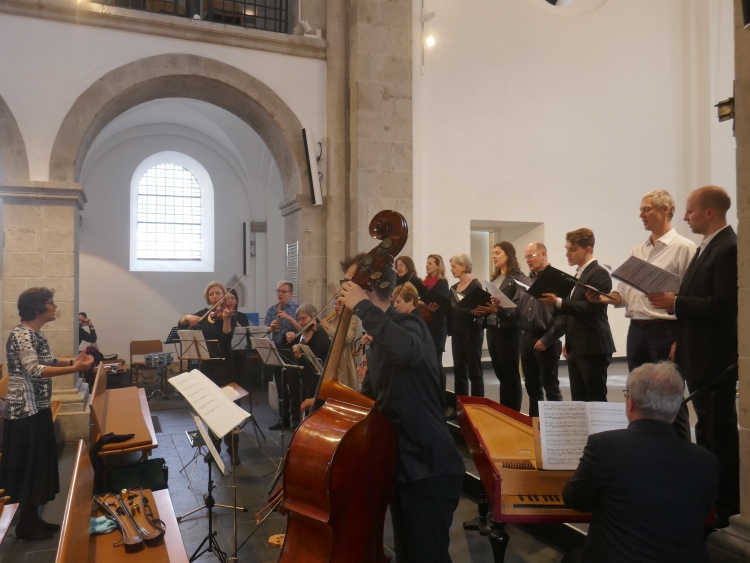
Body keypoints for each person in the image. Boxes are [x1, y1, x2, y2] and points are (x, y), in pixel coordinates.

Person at [339, 254, 465, 563]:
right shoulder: (379, 337)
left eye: (349, 284)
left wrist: (364, 308)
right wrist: (331, 406)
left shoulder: (408, 324)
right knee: (409, 555)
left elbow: (409, 350)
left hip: (429, 467)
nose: (343, 290)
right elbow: (371, 400)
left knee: (427, 557)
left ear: (370, 288)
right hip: (403, 466)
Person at [646, 185, 739, 528]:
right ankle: (710, 494)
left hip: (715, 357)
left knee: (720, 430)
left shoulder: (729, 247)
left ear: (709, 213)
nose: (685, 217)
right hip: (697, 349)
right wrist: (680, 340)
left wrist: (675, 303)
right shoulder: (709, 247)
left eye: (690, 211)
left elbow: (725, 305)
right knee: (708, 429)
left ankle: (726, 502)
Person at [562, 362, 719, 563]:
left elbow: (576, 500)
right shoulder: (707, 462)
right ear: (677, 406)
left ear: (631, 403)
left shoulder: (604, 446)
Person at [4, 287, 94, 541]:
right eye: (51, 303)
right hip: (25, 410)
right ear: (37, 308)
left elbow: (50, 360)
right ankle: (27, 524)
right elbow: (34, 370)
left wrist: (73, 361)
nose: (55, 307)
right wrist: (73, 369)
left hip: (37, 406)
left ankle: (32, 520)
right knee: (30, 466)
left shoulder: (34, 333)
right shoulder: (22, 334)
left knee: (39, 463)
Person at [584, 190, 695, 394]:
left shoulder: (684, 248)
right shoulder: (638, 251)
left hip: (666, 331)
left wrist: (682, 338)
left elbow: (692, 296)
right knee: (637, 393)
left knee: (667, 395)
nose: (641, 215)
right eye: (640, 210)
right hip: (636, 330)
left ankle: (675, 428)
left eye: (646, 209)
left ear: (665, 210)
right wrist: (602, 298)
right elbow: (624, 294)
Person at [539, 229, 615, 401]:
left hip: (593, 346)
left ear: (588, 249)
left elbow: (589, 308)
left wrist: (557, 301)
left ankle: (598, 430)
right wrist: (569, 340)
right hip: (579, 344)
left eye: (572, 249)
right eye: (566, 249)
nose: (567, 254)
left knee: (594, 400)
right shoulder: (579, 274)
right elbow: (572, 311)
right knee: (579, 401)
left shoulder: (599, 273)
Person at [178, 281, 238, 463]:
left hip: (225, 366)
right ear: (208, 297)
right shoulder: (202, 315)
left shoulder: (229, 314)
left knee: (229, 409)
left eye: (218, 293)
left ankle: (234, 450)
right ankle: (214, 449)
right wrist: (186, 318)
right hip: (208, 367)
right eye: (211, 294)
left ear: (223, 295)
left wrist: (226, 319)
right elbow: (181, 325)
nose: (214, 297)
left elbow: (227, 336)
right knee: (211, 411)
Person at [473, 242, 528, 411]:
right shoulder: (495, 278)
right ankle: (505, 410)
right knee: (501, 375)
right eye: (493, 253)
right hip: (493, 329)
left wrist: (496, 310)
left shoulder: (518, 278)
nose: (494, 256)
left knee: (510, 375)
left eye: (498, 253)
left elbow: (518, 309)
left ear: (508, 255)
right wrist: (482, 310)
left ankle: (514, 412)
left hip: (509, 331)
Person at [514, 242, 563, 417]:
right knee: (532, 389)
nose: (528, 260)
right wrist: (499, 306)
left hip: (546, 339)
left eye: (531, 256)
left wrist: (547, 339)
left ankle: (556, 431)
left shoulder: (556, 279)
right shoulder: (526, 281)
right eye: (526, 257)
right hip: (527, 338)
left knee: (551, 389)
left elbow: (563, 316)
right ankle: (535, 429)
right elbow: (518, 309)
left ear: (543, 254)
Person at [286, 304, 331, 424]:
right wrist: (288, 334)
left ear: (314, 316)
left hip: (315, 379)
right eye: (298, 319)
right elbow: (288, 345)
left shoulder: (320, 334)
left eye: (303, 318)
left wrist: (300, 355)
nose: (300, 322)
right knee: (306, 413)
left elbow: (313, 362)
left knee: (313, 414)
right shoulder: (304, 332)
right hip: (305, 378)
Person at [264, 281, 299, 431]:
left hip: (292, 352)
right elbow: (264, 329)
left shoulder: (297, 309)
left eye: (284, 291)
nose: (280, 294)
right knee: (281, 387)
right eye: (278, 291)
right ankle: (283, 419)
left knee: (294, 387)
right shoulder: (272, 310)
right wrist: (270, 327)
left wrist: (288, 318)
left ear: (290, 294)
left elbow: (302, 329)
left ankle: (296, 420)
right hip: (276, 350)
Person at [448, 253, 484, 398]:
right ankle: (460, 405)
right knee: (459, 371)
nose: (451, 269)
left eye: (454, 266)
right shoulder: (454, 287)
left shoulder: (475, 285)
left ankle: (477, 406)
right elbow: (447, 306)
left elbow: (477, 310)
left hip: (472, 333)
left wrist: (457, 309)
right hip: (457, 332)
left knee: (474, 372)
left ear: (463, 266)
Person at [421, 254, 450, 405]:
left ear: (438, 266)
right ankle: (429, 397)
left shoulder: (442, 282)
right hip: (425, 323)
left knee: (437, 361)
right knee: (427, 362)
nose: (427, 265)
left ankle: (441, 400)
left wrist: (422, 303)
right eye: (427, 263)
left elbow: (438, 302)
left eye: (430, 263)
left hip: (437, 324)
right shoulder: (424, 282)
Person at [321, 299, 360, 390]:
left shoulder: (351, 321)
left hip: (343, 360)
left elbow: (347, 338)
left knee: (343, 389)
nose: (336, 307)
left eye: (340, 305)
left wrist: (328, 327)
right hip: (329, 358)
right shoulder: (330, 321)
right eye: (335, 304)